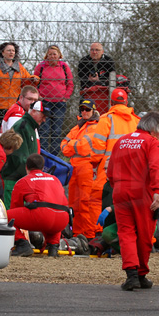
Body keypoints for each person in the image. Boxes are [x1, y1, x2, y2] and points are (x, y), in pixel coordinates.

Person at [107, 111, 159, 291]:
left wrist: (117, 185)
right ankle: (141, 273)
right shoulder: (152, 143)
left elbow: (110, 171)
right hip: (142, 193)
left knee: (126, 233)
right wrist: (157, 192)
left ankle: (131, 275)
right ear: (153, 129)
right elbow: (156, 168)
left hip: (120, 191)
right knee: (144, 233)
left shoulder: (121, 141)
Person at [88, 87, 140, 239]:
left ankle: (98, 236)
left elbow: (98, 147)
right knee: (126, 202)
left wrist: (94, 163)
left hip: (108, 169)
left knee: (99, 200)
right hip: (131, 171)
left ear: (111, 102)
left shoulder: (106, 119)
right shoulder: (136, 120)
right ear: (126, 102)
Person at [8, 153, 71, 258]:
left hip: (42, 216)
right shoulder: (55, 179)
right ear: (43, 167)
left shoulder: (23, 181)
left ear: (26, 167)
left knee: (6, 216)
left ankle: (22, 244)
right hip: (63, 219)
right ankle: (53, 247)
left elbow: (15, 207)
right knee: (53, 211)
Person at [0, 42, 40, 135]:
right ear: (2, 52)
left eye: (13, 51)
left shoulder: (20, 68)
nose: (11, 52)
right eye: (9, 50)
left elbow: (26, 82)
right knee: (0, 131)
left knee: (15, 131)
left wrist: (34, 79)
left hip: (15, 105)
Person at [61, 99, 100, 240]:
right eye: (82, 109)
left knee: (85, 202)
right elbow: (63, 146)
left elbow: (82, 147)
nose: (84, 112)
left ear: (93, 111)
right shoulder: (78, 127)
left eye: (87, 109)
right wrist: (73, 145)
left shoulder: (96, 127)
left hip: (87, 167)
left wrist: (71, 145)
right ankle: (77, 234)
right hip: (74, 167)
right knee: (73, 204)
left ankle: (89, 235)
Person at [0, 100, 50, 207]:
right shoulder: (22, 126)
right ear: (34, 112)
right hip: (15, 178)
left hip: (22, 177)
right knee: (13, 213)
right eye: (43, 115)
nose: (45, 119)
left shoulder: (30, 127)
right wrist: (33, 175)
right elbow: (19, 156)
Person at [34, 45, 74, 156]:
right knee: (44, 130)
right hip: (45, 101)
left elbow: (70, 83)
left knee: (56, 131)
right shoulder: (41, 66)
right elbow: (34, 82)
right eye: (50, 54)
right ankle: (43, 155)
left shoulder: (64, 67)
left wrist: (66, 96)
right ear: (47, 55)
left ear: (59, 56)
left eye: (54, 54)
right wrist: (38, 96)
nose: (52, 56)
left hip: (60, 103)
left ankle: (54, 156)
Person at [77, 42, 115, 113]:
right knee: (85, 111)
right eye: (92, 50)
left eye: (97, 50)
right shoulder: (83, 61)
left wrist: (99, 80)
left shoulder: (109, 61)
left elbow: (112, 77)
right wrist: (89, 80)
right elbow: (81, 76)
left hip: (104, 92)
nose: (94, 52)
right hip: (87, 91)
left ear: (102, 52)